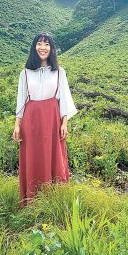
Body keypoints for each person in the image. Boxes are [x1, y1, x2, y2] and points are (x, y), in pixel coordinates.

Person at [13, 33, 77, 205]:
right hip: (31, 121)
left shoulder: (59, 72)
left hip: (52, 119)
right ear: (34, 48)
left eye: (47, 44)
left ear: (51, 48)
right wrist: (17, 125)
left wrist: (64, 123)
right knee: (33, 158)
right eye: (39, 44)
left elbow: (64, 98)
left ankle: (54, 200)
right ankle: (32, 201)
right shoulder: (25, 73)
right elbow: (21, 100)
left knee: (54, 156)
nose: (43, 47)